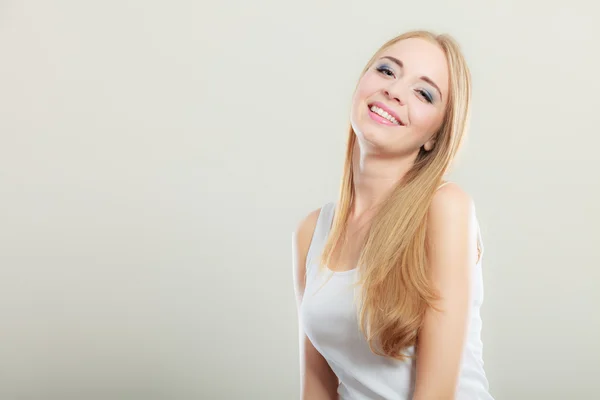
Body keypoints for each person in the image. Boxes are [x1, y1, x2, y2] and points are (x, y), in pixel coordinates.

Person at [292, 30, 494, 400]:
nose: (395, 91)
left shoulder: (444, 208)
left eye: (424, 93)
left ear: (435, 135)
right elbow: (317, 388)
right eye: (386, 71)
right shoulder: (312, 231)